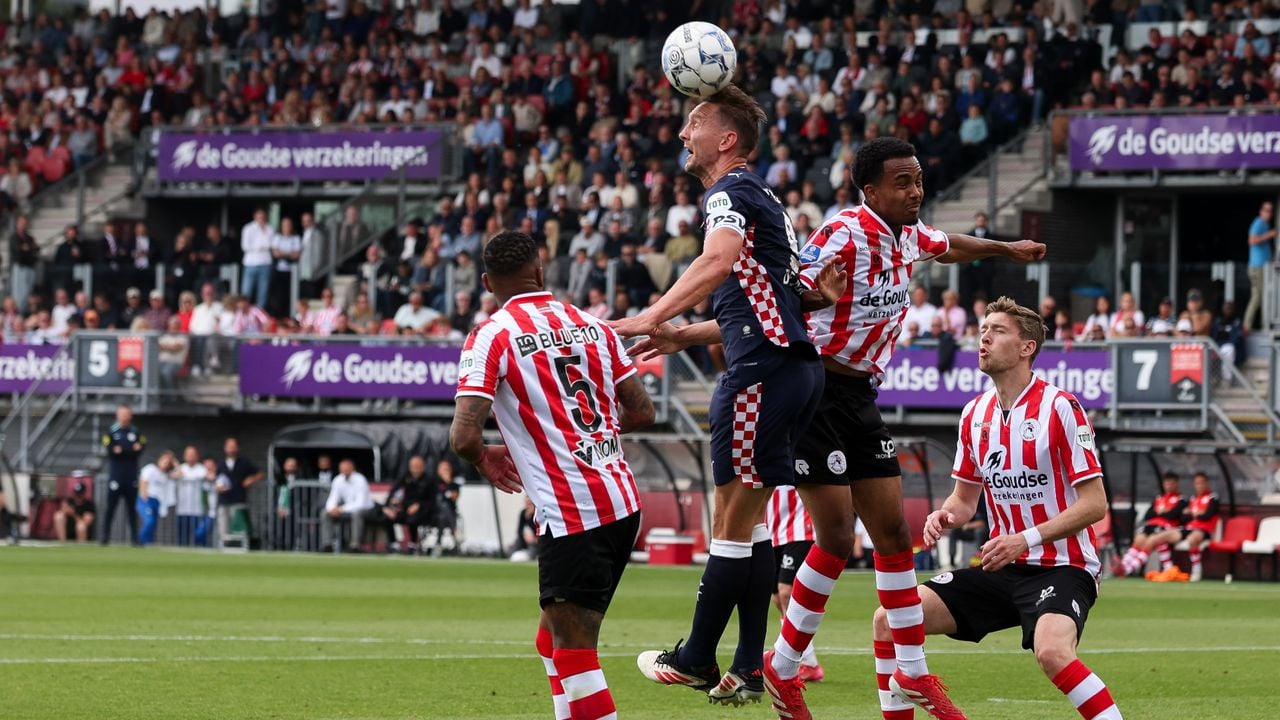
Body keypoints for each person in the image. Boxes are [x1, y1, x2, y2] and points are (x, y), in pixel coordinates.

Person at [612, 85, 844, 708]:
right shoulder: (767, 197)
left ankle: (694, 657)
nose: (683, 135)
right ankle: (744, 663)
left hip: (762, 373)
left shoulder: (729, 193)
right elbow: (780, 297)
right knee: (756, 522)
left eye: (694, 123)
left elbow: (717, 261)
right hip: (795, 370)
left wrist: (648, 315)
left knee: (730, 522)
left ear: (727, 139)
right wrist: (682, 333)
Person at [874, 296, 1121, 720]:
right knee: (888, 619)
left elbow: (1095, 504)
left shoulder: (1061, 408)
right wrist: (945, 516)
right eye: (983, 329)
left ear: (1027, 348)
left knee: (1052, 652)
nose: (984, 337)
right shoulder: (974, 413)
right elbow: (964, 498)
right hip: (1001, 566)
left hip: (1063, 565)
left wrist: (1023, 539)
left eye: (998, 330)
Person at [450, 229, 656, 720]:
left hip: (573, 511)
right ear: (541, 274)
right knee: (552, 637)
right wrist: (585, 434)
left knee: (573, 649)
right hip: (621, 501)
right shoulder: (594, 325)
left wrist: (484, 458)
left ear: (486, 282)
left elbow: (463, 436)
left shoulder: (491, 335)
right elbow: (643, 412)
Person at [767, 486, 825, 683]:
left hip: (800, 528)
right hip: (773, 529)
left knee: (786, 592)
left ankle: (807, 662)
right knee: (777, 598)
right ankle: (805, 660)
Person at [1112, 472, 1187, 579]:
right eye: (1167, 484)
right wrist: (1162, 512)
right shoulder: (1159, 498)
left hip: (1167, 528)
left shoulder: (1181, 499)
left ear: (1176, 484)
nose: (1168, 486)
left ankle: (1127, 569)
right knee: (1139, 539)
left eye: (1171, 484)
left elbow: (1174, 515)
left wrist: (1160, 512)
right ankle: (1123, 564)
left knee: (1152, 541)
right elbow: (1148, 515)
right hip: (1152, 526)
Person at [100, 404, 146, 545]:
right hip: (116, 476)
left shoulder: (135, 432)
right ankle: (105, 536)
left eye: (127, 414)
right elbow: (111, 450)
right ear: (118, 415)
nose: (125, 417)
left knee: (132, 509)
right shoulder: (111, 432)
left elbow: (141, 447)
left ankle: (134, 538)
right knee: (111, 508)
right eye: (122, 414)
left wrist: (124, 451)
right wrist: (128, 451)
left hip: (131, 476)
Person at [215, 437, 264, 546]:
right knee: (223, 529)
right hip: (223, 501)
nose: (231, 449)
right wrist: (218, 487)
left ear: (237, 448)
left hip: (239, 500)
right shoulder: (220, 464)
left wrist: (251, 479)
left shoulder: (244, 463)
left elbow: (260, 474)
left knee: (239, 530)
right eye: (229, 446)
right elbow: (217, 479)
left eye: (233, 446)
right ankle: (223, 548)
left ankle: (241, 548)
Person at [379, 455, 431, 552]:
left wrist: (419, 505)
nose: (414, 468)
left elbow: (432, 501)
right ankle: (394, 544)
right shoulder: (405, 477)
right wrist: (388, 507)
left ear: (423, 466)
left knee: (412, 519)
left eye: (417, 466)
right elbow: (393, 492)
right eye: (412, 466)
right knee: (387, 517)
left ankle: (413, 544)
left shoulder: (429, 480)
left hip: (423, 511)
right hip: (405, 509)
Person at [321, 458, 374, 553]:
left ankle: (355, 545)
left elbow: (360, 503)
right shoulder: (338, 480)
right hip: (346, 510)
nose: (344, 470)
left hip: (366, 509)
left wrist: (341, 509)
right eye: (342, 468)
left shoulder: (360, 480)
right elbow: (333, 498)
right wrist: (332, 509)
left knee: (356, 514)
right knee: (325, 513)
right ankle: (327, 545)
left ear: (352, 468)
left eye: (346, 468)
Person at [1181, 472, 1220, 583]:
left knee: (1192, 539)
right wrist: (1196, 513)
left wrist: (1192, 513)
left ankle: (1196, 570)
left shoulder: (1213, 497)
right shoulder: (1193, 498)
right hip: (1189, 528)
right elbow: (1183, 517)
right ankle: (1168, 569)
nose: (1199, 486)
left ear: (1207, 483)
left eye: (1202, 483)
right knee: (1162, 537)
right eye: (1197, 483)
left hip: (1205, 530)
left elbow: (1207, 515)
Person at [1244, 200, 1275, 331]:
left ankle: (1257, 325)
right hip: (1257, 268)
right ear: (1261, 211)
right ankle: (1249, 326)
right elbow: (1251, 240)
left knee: (1261, 296)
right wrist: (1269, 235)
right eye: (1266, 210)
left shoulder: (1265, 224)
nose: (1269, 213)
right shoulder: (1258, 223)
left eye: (1271, 211)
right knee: (1258, 296)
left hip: (1263, 268)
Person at [174, 445, 211, 547]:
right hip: (182, 509)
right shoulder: (181, 468)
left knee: (199, 536)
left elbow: (205, 477)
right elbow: (175, 476)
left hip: (197, 510)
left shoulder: (201, 468)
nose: (190, 457)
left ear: (197, 456)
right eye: (188, 454)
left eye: (193, 455)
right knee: (182, 537)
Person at [137, 450, 176, 546]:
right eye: (164, 460)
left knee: (153, 523)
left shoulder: (166, 475)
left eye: (167, 462)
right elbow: (143, 481)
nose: (165, 463)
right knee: (149, 521)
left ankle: (148, 542)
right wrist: (143, 494)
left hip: (157, 501)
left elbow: (180, 473)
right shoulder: (150, 469)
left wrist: (173, 460)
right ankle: (138, 541)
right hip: (147, 499)